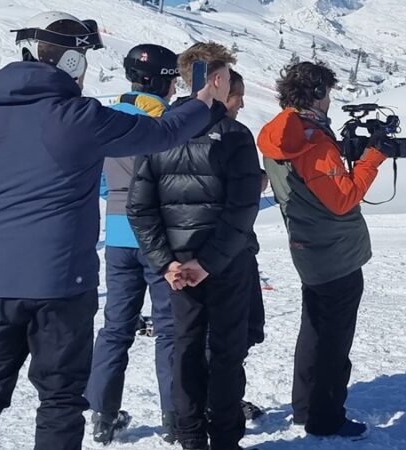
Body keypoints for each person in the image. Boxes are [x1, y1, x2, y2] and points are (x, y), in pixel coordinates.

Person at [0, 11, 216, 450]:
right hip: (62, 287)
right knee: (61, 400)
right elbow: (163, 133)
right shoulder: (81, 117)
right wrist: (203, 100)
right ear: (72, 64)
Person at [127, 42, 261, 450]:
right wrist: (207, 262)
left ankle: (189, 437)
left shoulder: (159, 132)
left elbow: (139, 207)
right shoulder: (235, 135)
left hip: (180, 268)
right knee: (225, 351)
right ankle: (222, 438)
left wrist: (166, 262)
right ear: (217, 80)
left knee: (185, 347)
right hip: (224, 265)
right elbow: (242, 209)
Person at [256, 61, 387, 439]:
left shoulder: (281, 134)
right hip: (336, 251)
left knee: (314, 328)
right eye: (328, 92)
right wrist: (372, 158)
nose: (330, 100)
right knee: (333, 338)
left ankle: (305, 407)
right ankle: (325, 416)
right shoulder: (311, 140)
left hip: (308, 245)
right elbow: (343, 198)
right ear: (316, 93)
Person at [85, 43, 180, 445]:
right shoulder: (168, 121)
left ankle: (103, 415)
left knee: (116, 328)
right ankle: (176, 416)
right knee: (171, 329)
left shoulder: (104, 116)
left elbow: (101, 182)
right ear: (164, 80)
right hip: (160, 234)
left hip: (119, 235)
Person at [225, 68, 265, 421]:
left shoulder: (173, 126)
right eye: (238, 95)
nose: (242, 103)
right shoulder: (235, 134)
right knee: (237, 332)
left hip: (190, 248)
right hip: (232, 250)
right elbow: (245, 191)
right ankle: (224, 404)